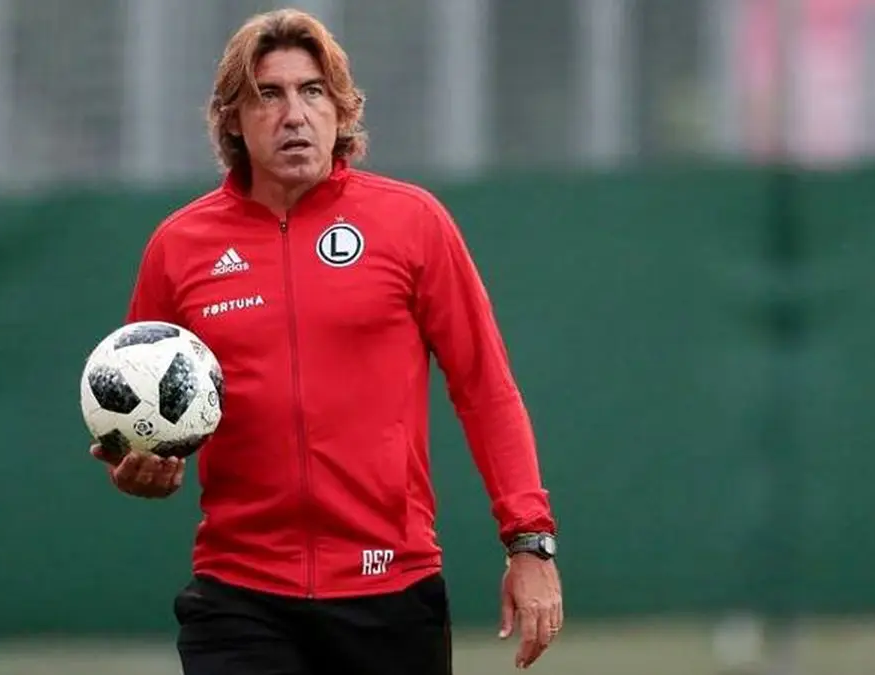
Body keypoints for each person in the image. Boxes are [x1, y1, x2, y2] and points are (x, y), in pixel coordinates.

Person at [90, 8, 562, 674]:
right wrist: (137, 468)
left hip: (390, 590)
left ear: (341, 110)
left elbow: (485, 388)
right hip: (240, 595)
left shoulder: (412, 222)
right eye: (268, 95)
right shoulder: (179, 247)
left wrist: (529, 542)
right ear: (232, 119)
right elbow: (136, 418)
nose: (294, 114)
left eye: (312, 91)